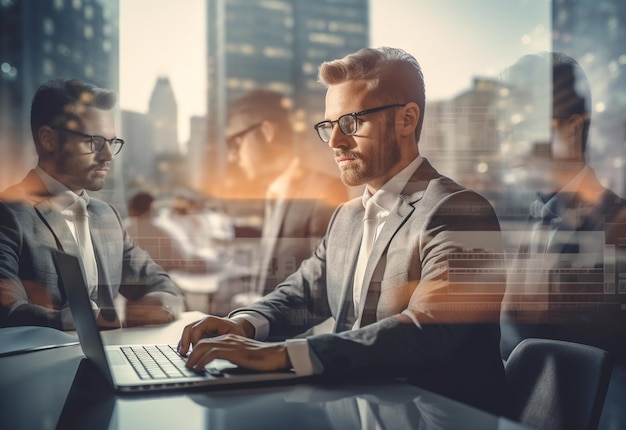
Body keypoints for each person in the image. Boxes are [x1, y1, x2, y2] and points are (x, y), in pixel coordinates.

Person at [178, 47, 506, 413]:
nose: (334, 142)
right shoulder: (347, 217)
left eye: (351, 123)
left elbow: (426, 331)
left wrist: (281, 355)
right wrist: (242, 325)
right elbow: (302, 294)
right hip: (354, 409)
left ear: (407, 119)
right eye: (328, 126)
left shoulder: (459, 211)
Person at [0, 78, 184, 330]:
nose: (108, 155)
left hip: (108, 363)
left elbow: (163, 286)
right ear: (48, 139)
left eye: (112, 142)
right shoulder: (9, 213)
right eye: (95, 141)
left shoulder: (106, 215)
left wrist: (158, 305)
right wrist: (90, 321)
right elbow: (8, 311)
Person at [498, 52, 626, 361]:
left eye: (523, 126)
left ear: (572, 128)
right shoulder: (522, 220)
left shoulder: (617, 226)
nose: (508, 145)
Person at [225, 89, 348, 305]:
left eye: (235, 142)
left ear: (266, 132)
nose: (232, 156)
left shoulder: (324, 192)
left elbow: (324, 286)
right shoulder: (273, 195)